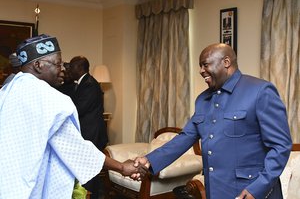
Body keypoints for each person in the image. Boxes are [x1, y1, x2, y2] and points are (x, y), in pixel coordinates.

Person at [134, 43, 292, 199]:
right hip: (215, 191)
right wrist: (149, 160)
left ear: (226, 62)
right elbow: (185, 137)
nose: (201, 71)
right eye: (200, 66)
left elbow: (281, 146)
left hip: (252, 192)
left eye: (205, 64)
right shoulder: (203, 99)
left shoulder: (260, 91)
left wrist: (258, 188)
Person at [0, 34, 145, 199]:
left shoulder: (7, 91)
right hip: (27, 188)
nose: (62, 69)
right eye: (58, 63)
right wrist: (121, 167)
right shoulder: (47, 98)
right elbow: (75, 148)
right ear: (39, 65)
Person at [66, 55, 109, 198]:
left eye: (71, 66)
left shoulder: (90, 84)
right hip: (87, 132)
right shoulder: (79, 83)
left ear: (79, 68)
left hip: (92, 133)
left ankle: (91, 196)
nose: (69, 69)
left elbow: (79, 109)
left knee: (90, 168)